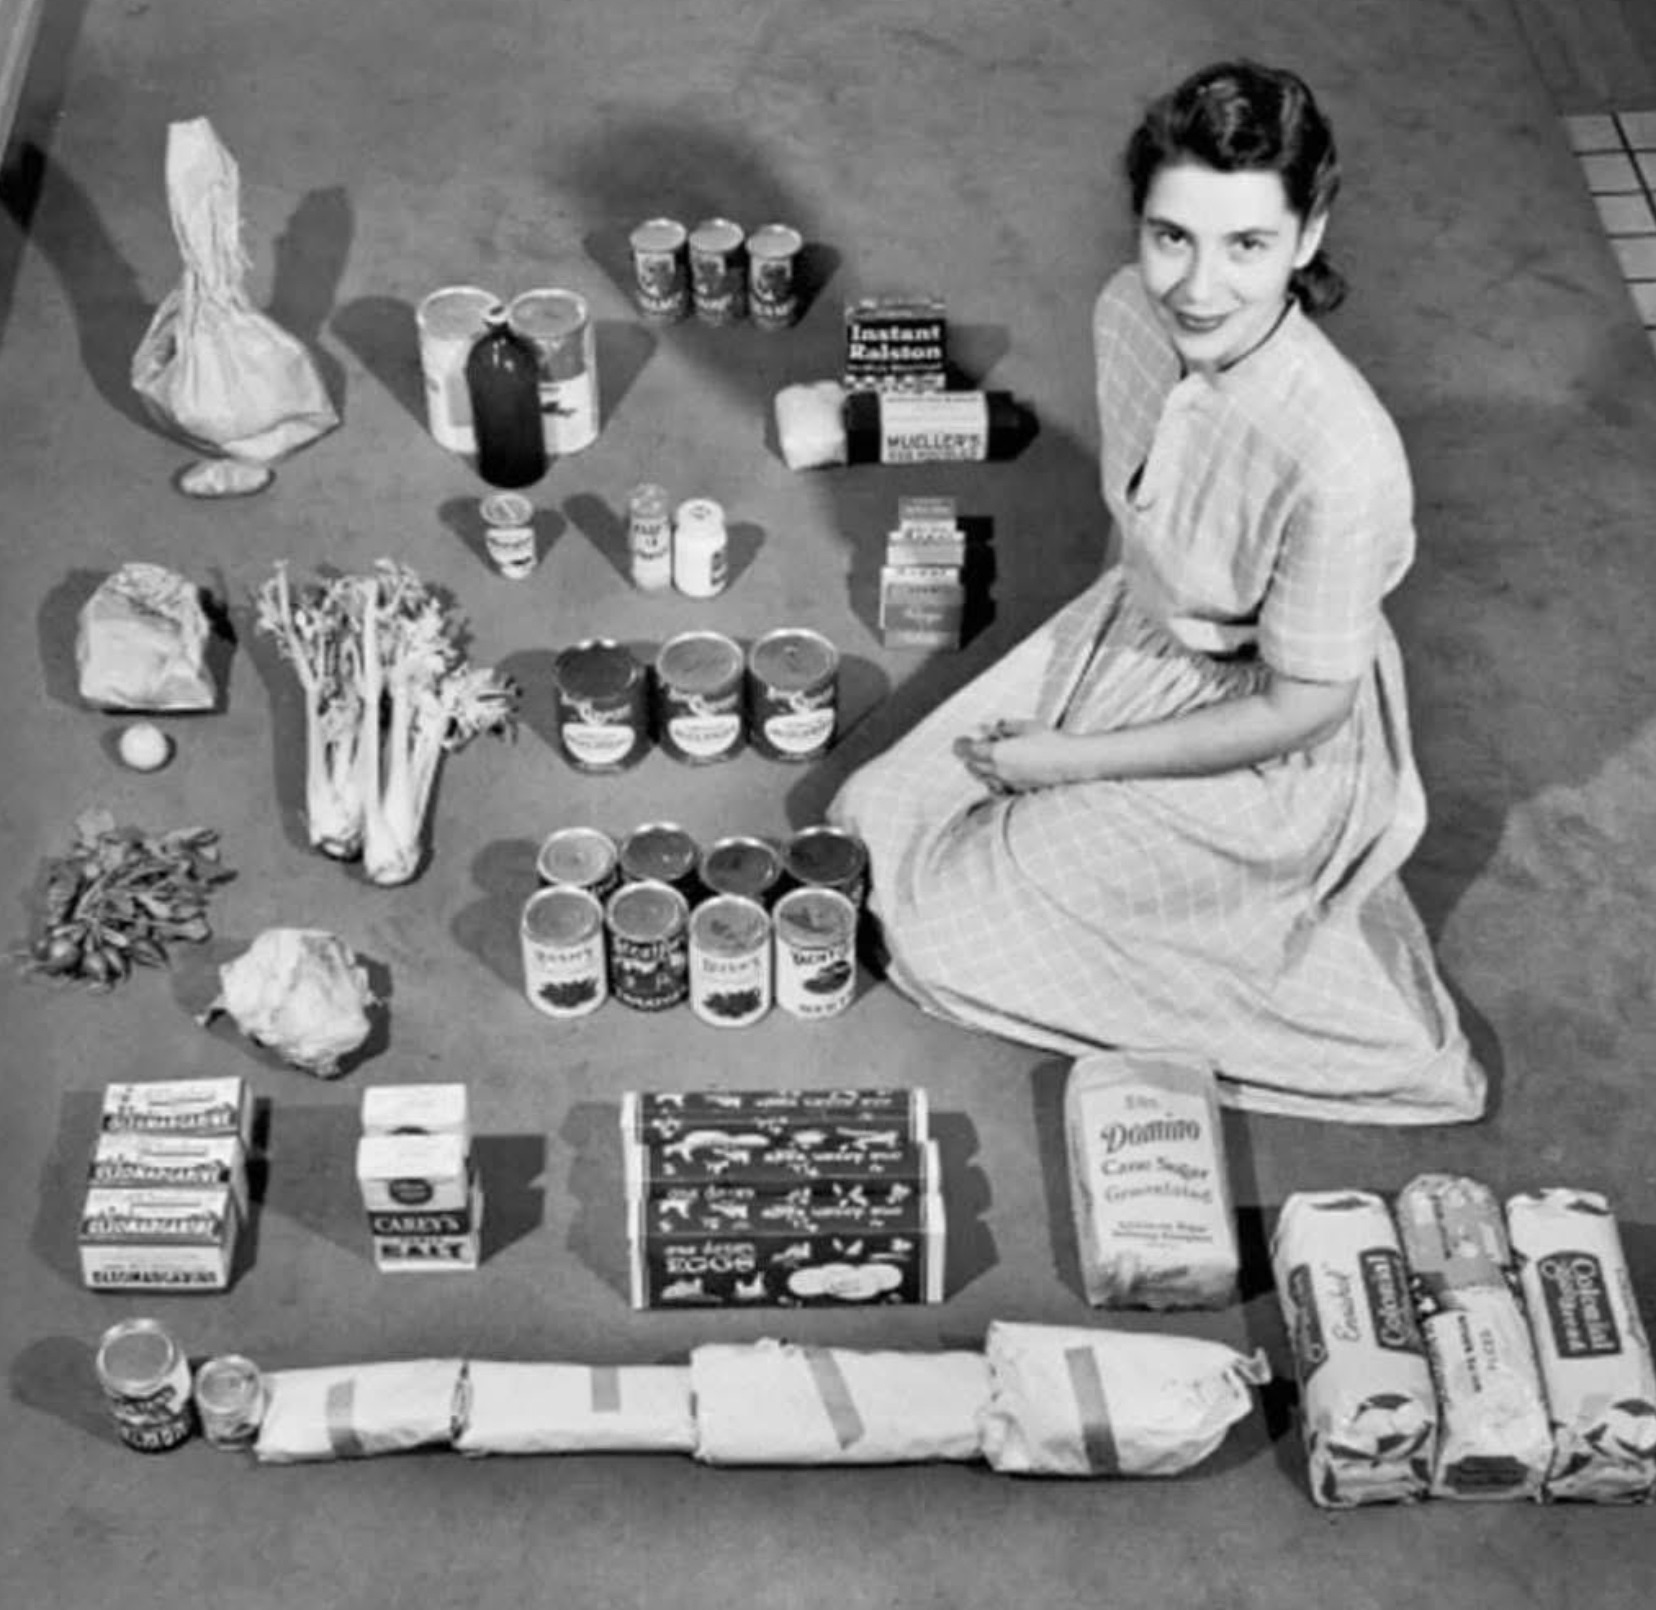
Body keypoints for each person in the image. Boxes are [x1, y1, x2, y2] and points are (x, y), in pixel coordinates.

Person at [828, 60, 1486, 1125]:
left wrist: (1073, 760)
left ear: (1309, 236)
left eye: (1247, 245)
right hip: (1139, 634)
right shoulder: (1127, 307)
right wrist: (1087, 685)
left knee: (941, 924)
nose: (1197, 287)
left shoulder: (1344, 458)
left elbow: (1303, 708)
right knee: (873, 822)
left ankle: (1317, 970)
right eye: (1172, 235)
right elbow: (1141, 519)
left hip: (1273, 739)